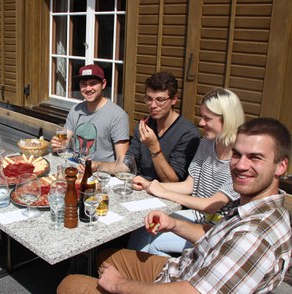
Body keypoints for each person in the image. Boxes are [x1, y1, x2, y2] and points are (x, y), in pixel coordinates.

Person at [57, 117, 291, 293]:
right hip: (184, 267)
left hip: (184, 284)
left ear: (281, 166)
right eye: (237, 155)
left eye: (255, 158)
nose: (240, 165)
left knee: (70, 284)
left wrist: (120, 285)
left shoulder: (253, 236)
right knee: (108, 256)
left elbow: (190, 292)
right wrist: (174, 224)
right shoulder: (260, 207)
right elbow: (218, 235)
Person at [128, 88, 244, 256]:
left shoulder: (241, 158)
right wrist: (150, 185)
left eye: (207, 118)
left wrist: (163, 192)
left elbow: (210, 205)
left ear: (227, 120)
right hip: (197, 216)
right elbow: (190, 184)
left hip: (217, 228)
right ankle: (129, 268)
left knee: (156, 245)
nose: (201, 123)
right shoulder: (207, 142)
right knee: (147, 222)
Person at [97, 72, 200, 181]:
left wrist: (153, 146)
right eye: (149, 99)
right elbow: (126, 166)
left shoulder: (187, 133)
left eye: (160, 100)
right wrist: (97, 165)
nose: (153, 105)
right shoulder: (144, 125)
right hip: (139, 187)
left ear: (174, 99)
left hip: (166, 194)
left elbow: (172, 180)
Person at [50, 64, 130, 162]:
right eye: (83, 84)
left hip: (101, 174)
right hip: (75, 166)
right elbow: (64, 141)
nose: (88, 89)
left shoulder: (118, 115)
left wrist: (98, 167)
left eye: (93, 83)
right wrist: (58, 145)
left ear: (103, 84)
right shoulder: (75, 109)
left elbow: (122, 163)